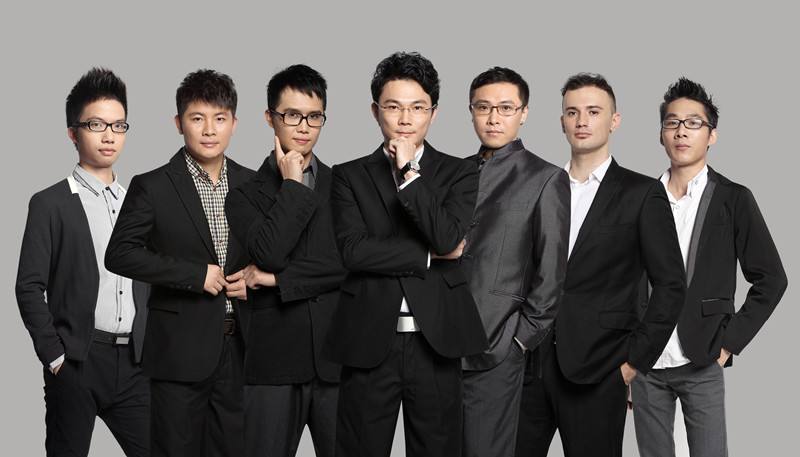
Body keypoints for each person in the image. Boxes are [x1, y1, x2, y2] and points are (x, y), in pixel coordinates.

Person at [326, 51, 487, 457]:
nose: (404, 119)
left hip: (436, 341)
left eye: (417, 108)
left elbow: (447, 237)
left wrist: (410, 175)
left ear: (433, 113)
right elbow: (353, 251)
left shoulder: (460, 172)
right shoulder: (349, 175)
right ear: (375, 111)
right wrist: (429, 256)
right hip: (367, 339)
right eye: (393, 107)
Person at [516, 73, 686, 457]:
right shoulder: (540, 186)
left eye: (593, 112)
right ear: (561, 121)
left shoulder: (642, 193)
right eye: (572, 112)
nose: (582, 121)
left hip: (600, 367)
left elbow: (671, 285)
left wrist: (634, 363)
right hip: (529, 364)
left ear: (614, 120)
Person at [631, 77, 788, 457]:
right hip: (645, 362)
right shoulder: (638, 200)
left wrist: (729, 344)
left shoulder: (733, 199)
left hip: (702, 356)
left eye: (693, 123)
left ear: (711, 135)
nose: (681, 131)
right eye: (672, 122)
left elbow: (771, 279)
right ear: (661, 134)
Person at [105, 69, 254, 457]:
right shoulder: (153, 185)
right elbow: (119, 253)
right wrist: (193, 275)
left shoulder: (253, 184)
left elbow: (267, 252)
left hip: (241, 349)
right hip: (178, 352)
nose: (209, 130)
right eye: (197, 118)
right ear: (178, 123)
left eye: (220, 118)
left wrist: (254, 279)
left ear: (234, 124)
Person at [16, 67, 150, 457]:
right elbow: (29, 286)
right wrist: (55, 357)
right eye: (96, 124)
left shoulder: (138, 203)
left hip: (135, 365)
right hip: (77, 361)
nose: (109, 135)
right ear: (73, 133)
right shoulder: (50, 203)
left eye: (118, 125)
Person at [225, 64, 346, 457]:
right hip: (272, 364)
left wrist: (275, 280)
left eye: (314, 116)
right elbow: (269, 252)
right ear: (270, 118)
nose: (304, 127)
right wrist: (292, 184)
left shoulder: (344, 187)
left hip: (336, 361)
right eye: (292, 115)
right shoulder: (243, 195)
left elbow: (348, 263)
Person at [460, 66, 569, 457]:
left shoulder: (545, 178)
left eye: (505, 108)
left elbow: (551, 273)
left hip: (497, 344)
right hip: (437, 343)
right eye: (483, 107)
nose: (493, 118)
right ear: (471, 112)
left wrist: (519, 339)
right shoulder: (453, 172)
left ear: (523, 113)